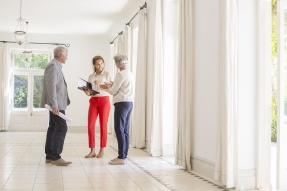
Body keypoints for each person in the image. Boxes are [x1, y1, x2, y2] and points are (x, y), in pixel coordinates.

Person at [99, 53, 134, 165]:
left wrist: (104, 88)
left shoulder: (120, 74)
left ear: (118, 64)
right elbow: (123, 86)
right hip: (129, 103)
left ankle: (121, 157)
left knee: (119, 129)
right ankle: (124, 155)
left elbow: (114, 91)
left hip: (121, 103)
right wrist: (112, 85)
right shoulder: (129, 73)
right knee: (125, 130)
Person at [41, 46, 71, 166]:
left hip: (57, 104)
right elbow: (51, 87)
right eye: (66, 54)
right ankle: (55, 156)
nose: (67, 57)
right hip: (56, 105)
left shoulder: (55, 66)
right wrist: (54, 105)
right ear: (61, 55)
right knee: (61, 128)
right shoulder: (53, 66)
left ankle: (50, 155)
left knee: (53, 127)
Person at [84, 56, 111, 158]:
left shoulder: (107, 74)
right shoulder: (91, 76)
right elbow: (90, 91)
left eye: (102, 64)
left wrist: (100, 85)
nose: (100, 66)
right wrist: (87, 92)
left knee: (103, 125)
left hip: (104, 100)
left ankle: (102, 150)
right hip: (93, 101)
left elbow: (110, 89)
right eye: (98, 64)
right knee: (90, 125)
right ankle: (92, 150)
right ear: (94, 65)